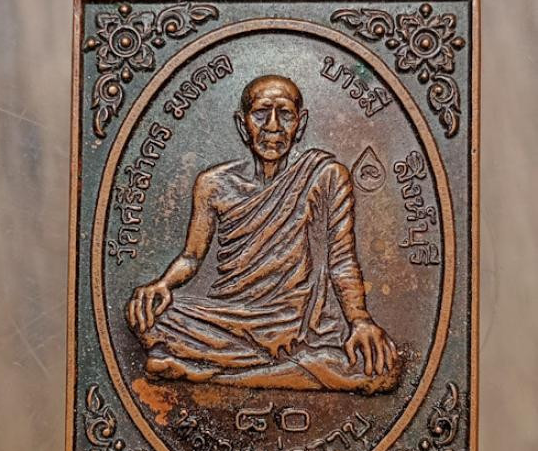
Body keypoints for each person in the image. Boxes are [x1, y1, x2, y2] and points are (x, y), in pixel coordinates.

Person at [127, 75, 401, 392]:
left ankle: (206, 372)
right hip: (230, 319)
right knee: (149, 317)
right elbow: (191, 257)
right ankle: (288, 369)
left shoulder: (327, 176)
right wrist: (163, 284)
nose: (273, 126)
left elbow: (341, 260)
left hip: (296, 323)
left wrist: (360, 320)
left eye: (285, 114)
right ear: (242, 124)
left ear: (301, 123)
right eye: (261, 113)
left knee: (384, 369)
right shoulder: (213, 184)